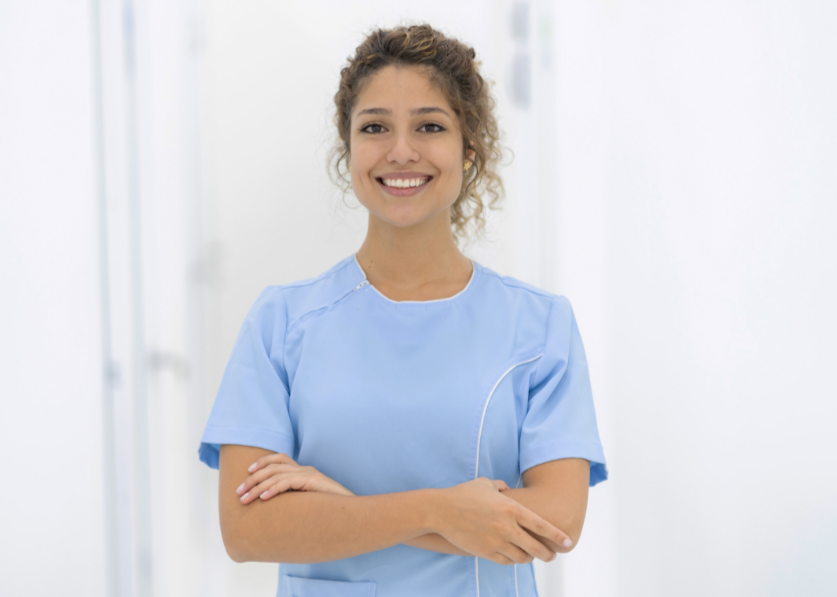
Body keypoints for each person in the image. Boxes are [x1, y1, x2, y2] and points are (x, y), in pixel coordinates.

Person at [198, 23, 608, 597]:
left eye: (430, 126)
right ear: (349, 149)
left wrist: (343, 506)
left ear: (469, 149)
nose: (401, 151)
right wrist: (440, 510)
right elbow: (247, 531)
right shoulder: (282, 322)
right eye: (374, 128)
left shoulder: (539, 326)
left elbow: (556, 525)